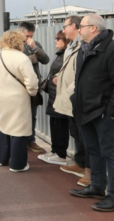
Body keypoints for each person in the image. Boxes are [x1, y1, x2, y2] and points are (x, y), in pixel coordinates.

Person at [69, 14, 114, 212]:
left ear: (93, 28)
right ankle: (97, 186)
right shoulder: (83, 50)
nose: (78, 29)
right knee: (93, 150)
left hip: (103, 113)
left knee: (110, 154)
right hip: (85, 111)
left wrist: (111, 112)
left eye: (81, 26)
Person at [0, 31, 38, 173]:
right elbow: (32, 81)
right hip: (19, 98)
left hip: (2, 96)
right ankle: (18, 164)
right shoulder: (22, 58)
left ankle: (0, 158)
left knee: (5, 126)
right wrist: (32, 93)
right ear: (18, 42)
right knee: (20, 129)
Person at [53, 16, 91, 186]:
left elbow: (82, 73)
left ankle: (89, 170)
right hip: (70, 97)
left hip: (76, 97)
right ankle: (80, 163)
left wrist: (70, 91)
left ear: (74, 26)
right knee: (75, 132)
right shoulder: (72, 45)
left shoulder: (82, 46)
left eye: (65, 26)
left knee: (85, 136)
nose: (63, 29)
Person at [38, 31, 69, 165]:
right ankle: (55, 150)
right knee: (54, 125)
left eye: (58, 39)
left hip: (60, 97)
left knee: (61, 126)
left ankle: (61, 154)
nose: (55, 41)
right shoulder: (60, 55)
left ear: (66, 41)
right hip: (53, 96)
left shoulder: (66, 56)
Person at [18, 21, 50, 153]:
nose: (29, 38)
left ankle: (31, 140)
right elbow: (17, 62)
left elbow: (46, 59)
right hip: (19, 86)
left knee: (33, 114)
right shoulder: (14, 44)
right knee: (19, 115)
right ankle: (19, 141)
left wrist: (35, 48)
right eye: (26, 35)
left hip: (34, 85)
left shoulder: (34, 44)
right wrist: (32, 58)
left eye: (31, 35)